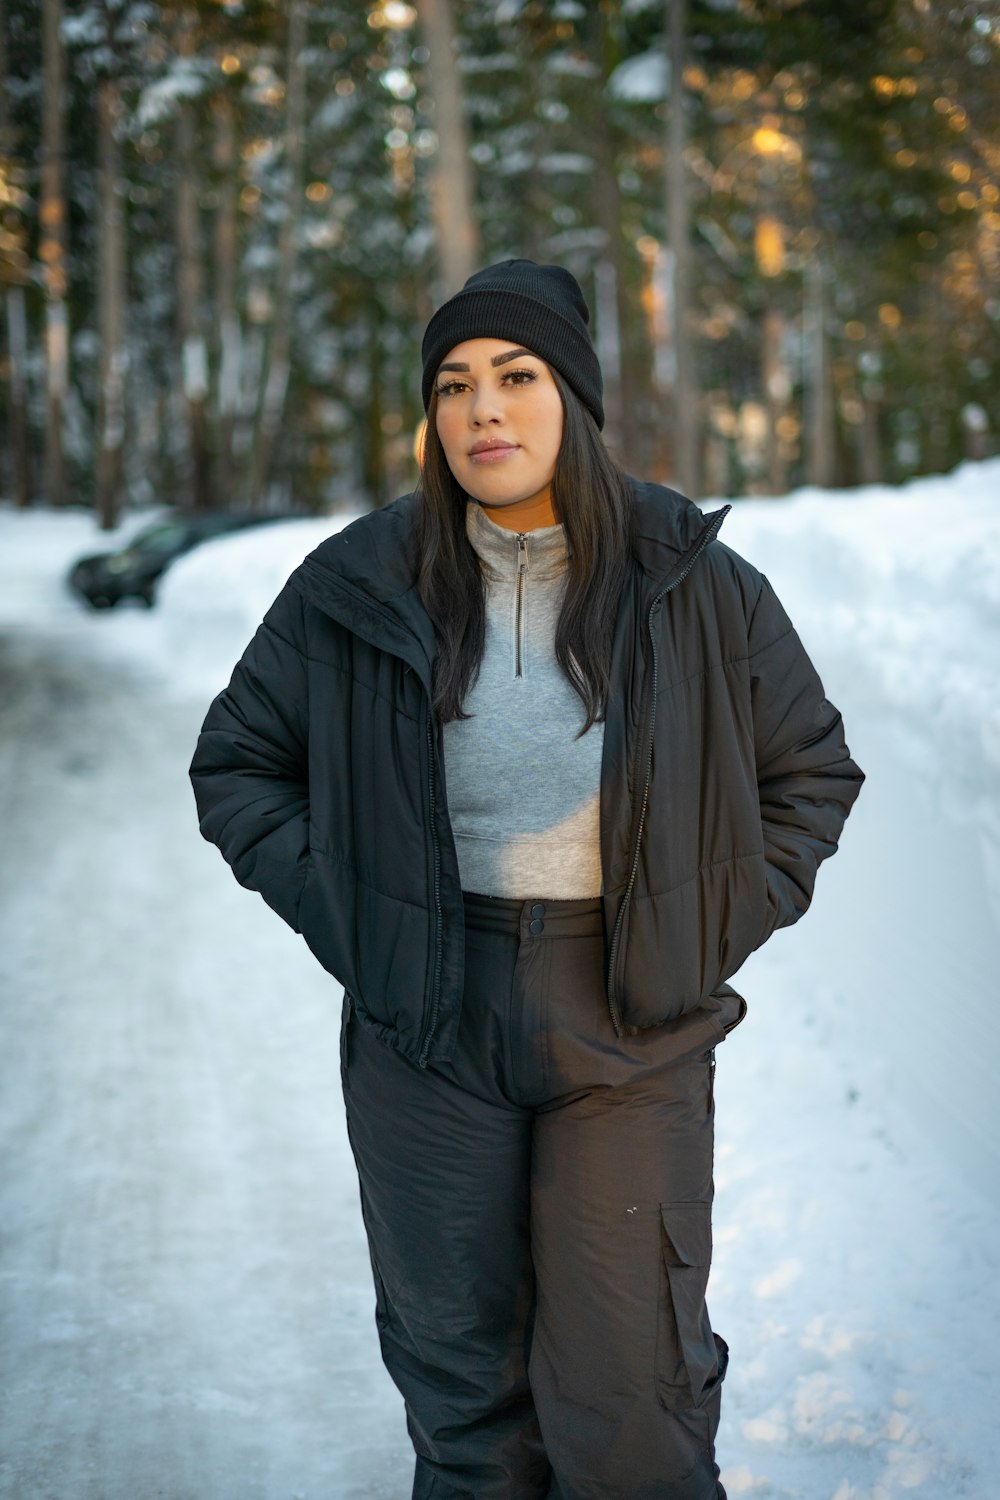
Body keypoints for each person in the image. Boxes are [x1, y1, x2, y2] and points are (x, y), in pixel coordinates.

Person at [189, 259, 864, 1500]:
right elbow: (238, 763)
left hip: (631, 1025)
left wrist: (699, 922)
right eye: (452, 386)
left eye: (514, 377)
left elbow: (807, 772)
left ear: (576, 400)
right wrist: (355, 914)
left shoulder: (690, 579)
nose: (480, 412)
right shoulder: (360, 582)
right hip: (427, 1028)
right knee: (466, 1393)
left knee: (631, 1398)